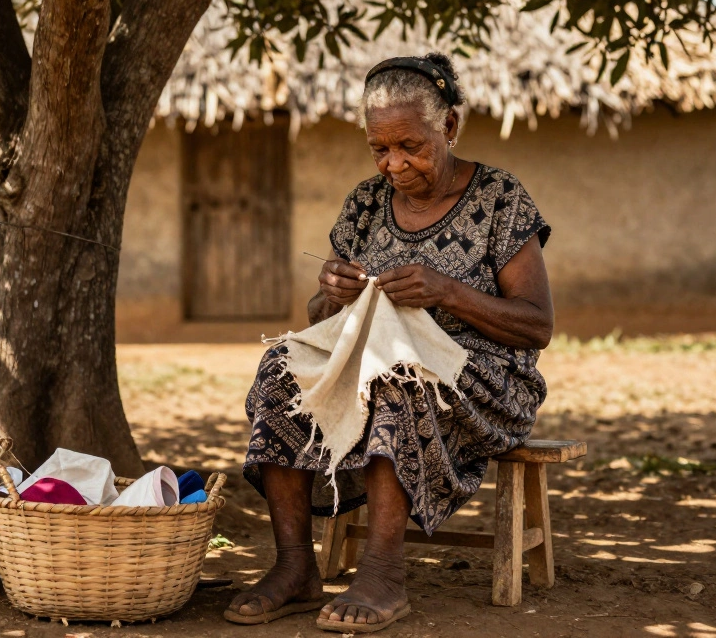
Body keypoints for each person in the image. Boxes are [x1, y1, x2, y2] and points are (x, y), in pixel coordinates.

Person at [225, 53, 554, 632]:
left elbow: (537, 325)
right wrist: (330, 292)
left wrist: (448, 292)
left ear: (448, 127)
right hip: (374, 362)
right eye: (380, 148)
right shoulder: (364, 203)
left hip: (483, 376)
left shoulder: (500, 199)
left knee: (395, 378)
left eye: (411, 146)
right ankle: (296, 565)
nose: (394, 164)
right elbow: (322, 316)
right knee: (281, 369)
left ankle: (382, 572)